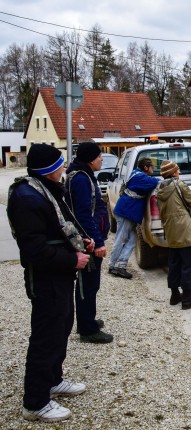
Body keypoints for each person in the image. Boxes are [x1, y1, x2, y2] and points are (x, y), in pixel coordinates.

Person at [7, 144, 92, 422]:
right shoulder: (27, 198)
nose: (64, 168)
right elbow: (33, 250)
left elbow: (62, 225)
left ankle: (53, 380)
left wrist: (83, 241)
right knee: (46, 336)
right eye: (60, 164)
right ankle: (35, 402)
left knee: (62, 326)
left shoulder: (45, 189)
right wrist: (72, 260)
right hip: (46, 277)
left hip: (59, 275)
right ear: (48, 169)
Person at [65, 142, 113, 344]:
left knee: (91, 283)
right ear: (91, 159)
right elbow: (83, 215)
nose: (102, 159)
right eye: (100, 156)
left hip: (90, 238)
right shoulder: (81, 179)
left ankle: (88, 319)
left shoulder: (83, 175)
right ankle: (87, 328)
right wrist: (98, 241)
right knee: (88, 284)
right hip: (88, 241)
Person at [156, 159, 191, 310]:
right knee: (188, 264)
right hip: (184, 227)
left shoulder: (160, 188)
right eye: (177, 170)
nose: (179, 172)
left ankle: (174, 294)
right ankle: (187, 298)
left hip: (170, 229)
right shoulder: (179, 184)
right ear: (172, 172)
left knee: (174, 263)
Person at [108, 158, 159, 279]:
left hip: (127, 211)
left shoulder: (135, 173)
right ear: (146, 167)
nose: (153, 169)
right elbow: (155, 182)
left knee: (131, 240)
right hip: (126, 212)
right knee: (121, 239)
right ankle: (112, 265)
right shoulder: (140, 177)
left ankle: (120, 265)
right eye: (152, 166)